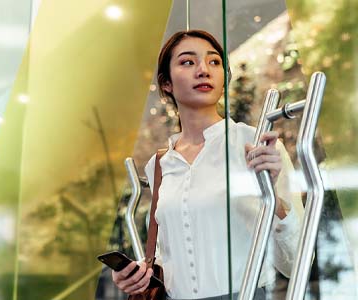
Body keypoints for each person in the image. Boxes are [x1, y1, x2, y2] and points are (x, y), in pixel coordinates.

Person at [112, 30, 303, 300]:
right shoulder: (158, 165)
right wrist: (137, 274)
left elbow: (296, 260)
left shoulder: (255, 144)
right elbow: (171, 257)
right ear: (166, 84)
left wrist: (274, 197)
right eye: (188, 62)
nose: (203, 70)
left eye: (214, 62)